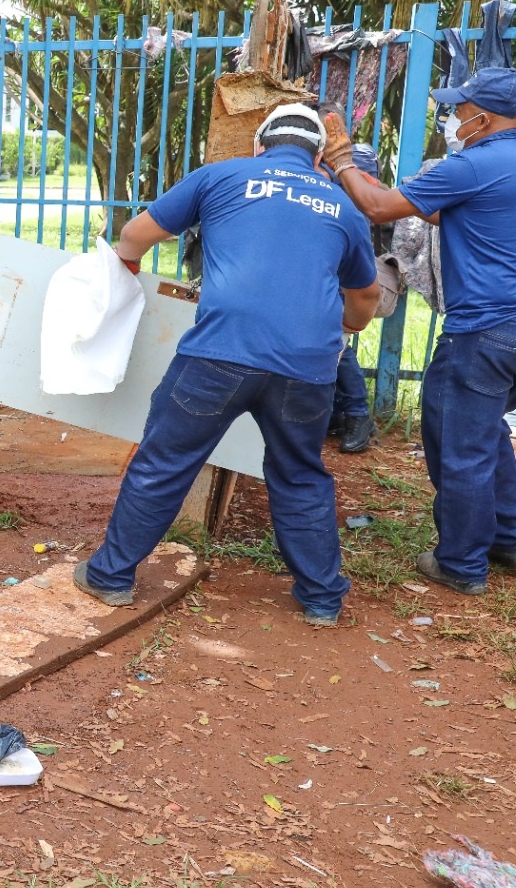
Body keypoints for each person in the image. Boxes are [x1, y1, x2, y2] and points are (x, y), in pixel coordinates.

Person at [74, 104, 381, 625]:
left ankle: (111, 578)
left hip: (218, 355)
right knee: (301, 476)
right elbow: (366, 295)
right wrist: (348, 326)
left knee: (165, 461)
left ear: (258, 145)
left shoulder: (219, 176)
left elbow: (135, 236)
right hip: (305, 370)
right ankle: (323, 600)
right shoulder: (342, 205)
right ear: (317, 157)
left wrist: (126, 269)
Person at [323, 67, 516, 596]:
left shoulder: (477, 163)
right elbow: (451, 211)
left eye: (460, 109)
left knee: (459, 442)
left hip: (485, 329)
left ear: (486, 116)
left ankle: (460, 563)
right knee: (487, 431)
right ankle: (507, 537)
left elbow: (380, 208)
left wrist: (342, 162)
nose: (454, 119)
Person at [327, 144, 383, 453]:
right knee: (333, 342)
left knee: (336, 341)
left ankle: (359, 414)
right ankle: (339, 413)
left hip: (346, 283)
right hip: (333, 279)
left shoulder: (355, 207)